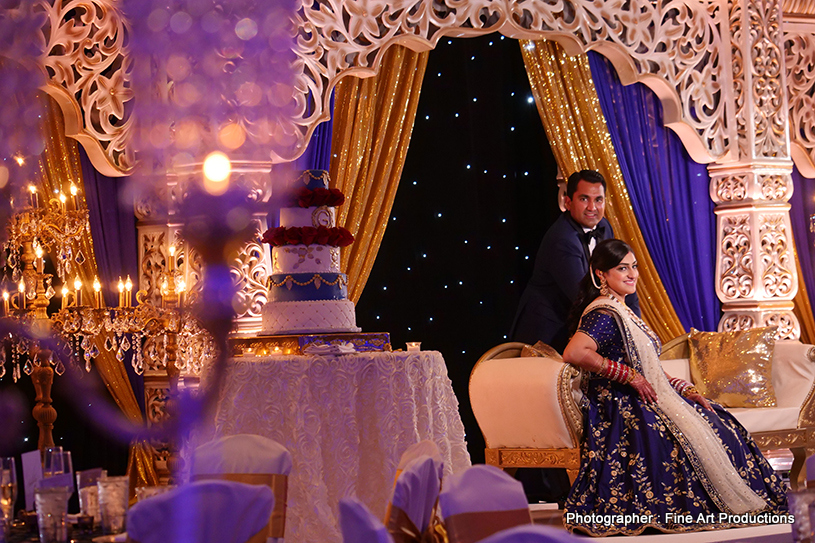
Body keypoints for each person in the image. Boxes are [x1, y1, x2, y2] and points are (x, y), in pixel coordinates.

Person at [561, 239, 788, 536]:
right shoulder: (603, 313)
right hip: (621, 403)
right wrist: (629, 376)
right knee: (669, 437)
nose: (632, 274)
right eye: (622, 268)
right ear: (601, 274)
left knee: (718, 418)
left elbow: (650, 369)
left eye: (634, 267)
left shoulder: (625, 311)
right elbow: (575, 353)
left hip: (644, 394)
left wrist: (684, 387)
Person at [509, 170, 639, 353]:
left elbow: (621, 278)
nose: (592, 207)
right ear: (568, 202)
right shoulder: (562, 239)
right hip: (547, 331)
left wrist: (636, 325)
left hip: (579, 326)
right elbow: (582, 295)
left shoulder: (604, 227)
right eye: (584, 199)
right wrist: (624, 325)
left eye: (598, 200)